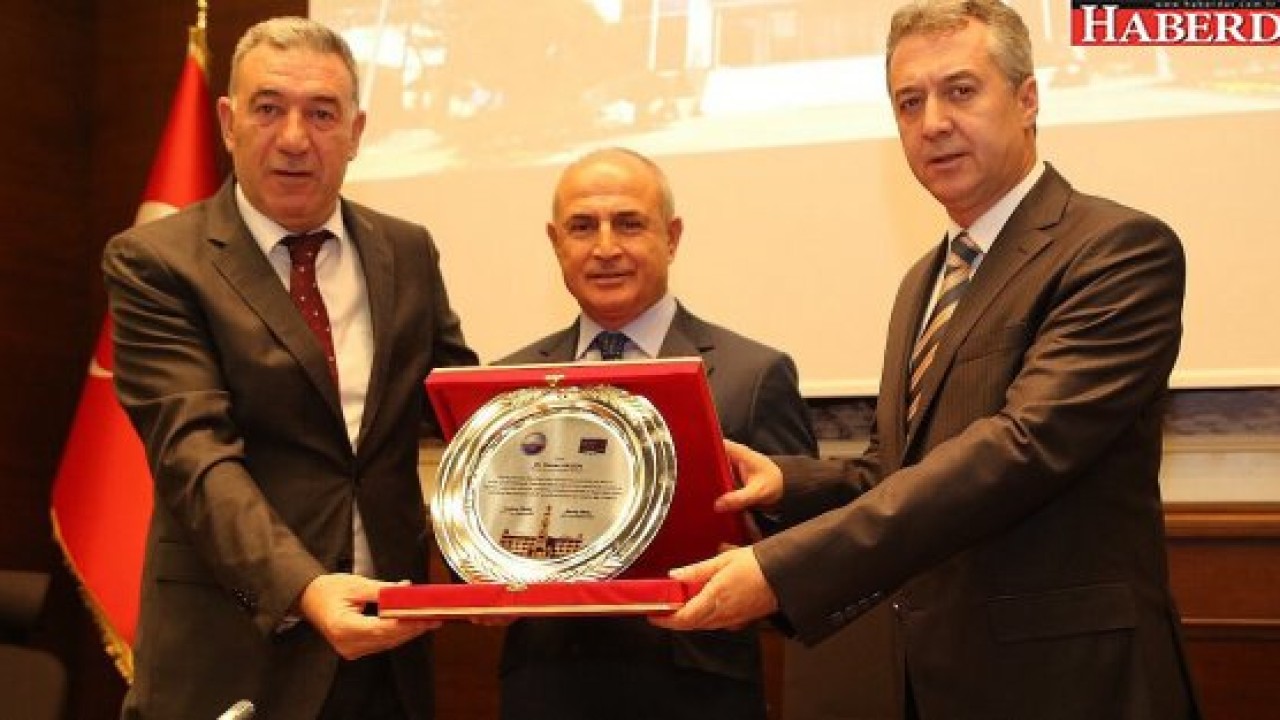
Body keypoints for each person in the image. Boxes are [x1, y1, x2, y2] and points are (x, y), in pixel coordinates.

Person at [654, 2, 1203, 719]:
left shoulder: (1116, 249)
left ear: (1027, 100)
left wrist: (781, 570)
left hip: (1071, 682)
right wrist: (788, 482)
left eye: (960, 91)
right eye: (909, 102)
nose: (933, 122)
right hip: (936, 678)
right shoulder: (926, 279)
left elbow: (1020, 448)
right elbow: (898, 469)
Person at [103, 17, 478, 720]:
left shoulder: (406, 251)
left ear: (356, 132)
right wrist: (305, 589)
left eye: (322, 114)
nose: (295, 138)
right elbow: (194, 456)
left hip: (387, 651)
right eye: (269, 108)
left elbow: (458, 411)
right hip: (233, 649)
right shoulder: (157, 262)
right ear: (228, 122)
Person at [495, 147, 817, 720]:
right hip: (545, 689)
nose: (605, 248)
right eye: (582, 227)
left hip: (696, 693)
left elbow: (806, 554)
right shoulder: (506, 382)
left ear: (672, 236)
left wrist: (757, 562)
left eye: (629, 223)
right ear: (555, 242)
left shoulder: (754, 375)